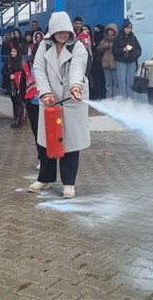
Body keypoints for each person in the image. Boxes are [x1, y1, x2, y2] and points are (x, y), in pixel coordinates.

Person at [28, 11, 90, 199]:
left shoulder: (78, 46)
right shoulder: (43, 46)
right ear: (53, 31)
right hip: (49, 100)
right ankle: (44, 178)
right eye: (59, 31)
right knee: (47, 142)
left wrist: (75, 87)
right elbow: (39, 69)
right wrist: (45, 92)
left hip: (72, 100)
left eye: (66, 31)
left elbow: (77, 67)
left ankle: (69, 183)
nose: (63, 35)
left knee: (70, 143)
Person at [19, 45, 41, 171]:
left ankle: (52, 155)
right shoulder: (27, 65)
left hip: (49, 104)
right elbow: (23, 82)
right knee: (37, 132)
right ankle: (42, 157)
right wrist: (23, 99)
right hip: (32, 103)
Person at [112, 19, 142, 99]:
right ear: (123, 28)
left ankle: (129, 100)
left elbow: (139, 49)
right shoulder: (118, 38)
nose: (128, 30)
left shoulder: (133, 37)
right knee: (121, 81)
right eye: (126, 28)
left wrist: (135, 55)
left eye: (129, 28)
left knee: (130, 82)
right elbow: (114, 50)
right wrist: (123, 50)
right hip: (121, 61)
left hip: (131, 61)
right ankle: (123, 100)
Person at [1, 47, 25, 128]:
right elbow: (3, 71)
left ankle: (19, 120)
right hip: (11, 84)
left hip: (19, 84)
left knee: (19, 101)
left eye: (14, 51)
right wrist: (9, 75)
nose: (12, 53)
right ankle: (16, 118)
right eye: (12, 51)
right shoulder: (8, 61)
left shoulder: (22, 61)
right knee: (14, 101)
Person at [96, 23, 119, 98]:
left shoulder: (118, 40)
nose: (110, 32)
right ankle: (109, 100)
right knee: (108, 84)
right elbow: (98, 49)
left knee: (116, 84)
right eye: (109, 31)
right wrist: (105, 46)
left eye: (112, 31)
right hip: (106, 65)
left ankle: (116, 101)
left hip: (115, 65)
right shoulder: (104, 40)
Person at [90, 24, 106, 99]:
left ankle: (102, 95)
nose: (97, 32)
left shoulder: (104, 40)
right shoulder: (92, 39)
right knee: (95, 80)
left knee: (103, 79)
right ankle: (95, 96)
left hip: (103, 62)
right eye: (95, 30)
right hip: (94, 63)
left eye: (98, 30)